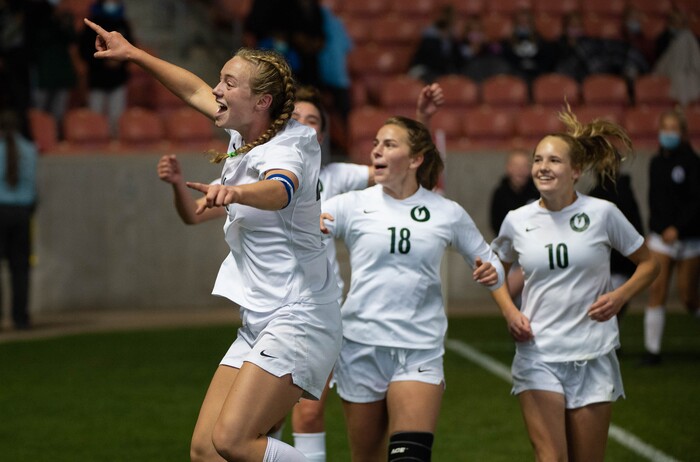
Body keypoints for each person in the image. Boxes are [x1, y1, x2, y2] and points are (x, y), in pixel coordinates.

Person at [84, 19, 342, 462]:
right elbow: (191, 90)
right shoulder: (246, 132)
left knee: (234, 441)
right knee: (206, 450)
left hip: (300, 317)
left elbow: (280, 189)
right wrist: (133, 54)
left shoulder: (291, 146)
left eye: (228, 82)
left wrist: (236, 192)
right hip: (261, 318)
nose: (216, 90)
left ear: (261, 101)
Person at [157, 83, 445, 461]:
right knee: (217, 447)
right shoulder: (252, 163)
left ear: (319, 135)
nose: (303, 124)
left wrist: (421, 122)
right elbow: (195, 211)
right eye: (297, 118)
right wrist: (181, 185)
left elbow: (404, 172)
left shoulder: (336, 175)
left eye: (312, 120)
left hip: (309, 311)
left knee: (292, 417)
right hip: (263, 314)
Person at [320, 116, 505, 461]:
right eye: (376, 143)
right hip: (360, 346)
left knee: (409, 458)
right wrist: (302, 223)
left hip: (418, 349)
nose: (377, 150)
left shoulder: (445, 212)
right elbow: (293, 226)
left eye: (389, 144)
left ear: (416, 159)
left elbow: (489, 261)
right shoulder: (352, 204)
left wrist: (492, 273)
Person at [491, 105, 659, 461]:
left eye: (554, 160)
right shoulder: (517, 220)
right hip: (539, 353)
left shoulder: (603, 213)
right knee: (551, 457)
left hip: (593, 353)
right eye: (538, 160)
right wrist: (509, 311)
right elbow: (495, 270)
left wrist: (620, 295)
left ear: (576, 170)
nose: (543, 167)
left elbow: (649, 264)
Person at [643, 109, 700, 365]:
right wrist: (660, 227)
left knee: (689, 296)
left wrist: (677, 227)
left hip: (688, 239)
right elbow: (654, 200)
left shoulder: (693, 162)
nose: (668, 133)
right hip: (660, 238)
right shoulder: (656, 163)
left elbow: (696, 202)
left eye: (673, 129)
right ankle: (652, 351)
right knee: (657, 289)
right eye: (664, 128)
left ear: (683, 133)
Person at [0, 108, 38, 331]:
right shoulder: (30, 150)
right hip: (23, 213)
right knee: (21, 268)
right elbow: (34, 187)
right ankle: (21, 317)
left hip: (1, 210)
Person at [489, 148, 539, 302]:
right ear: (508, 168)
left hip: (537, 249)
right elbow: (496, 225)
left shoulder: (539, 191)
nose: (520, 171)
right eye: (516, 166)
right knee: (509, 294)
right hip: (512, 252)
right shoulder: (500, 193)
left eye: (524, 166)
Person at [79, 1, 134, 136]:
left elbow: (131, 48)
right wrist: (103, 61)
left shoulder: (122, 22)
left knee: (116, 119)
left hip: (118, 79)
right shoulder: (91, 25)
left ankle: (115, 148)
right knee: (95, 119)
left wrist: (120, 61)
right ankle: (94, 145)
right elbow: (84, 50)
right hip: (97, 79)